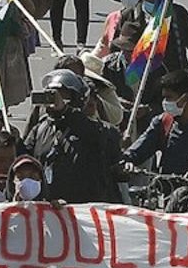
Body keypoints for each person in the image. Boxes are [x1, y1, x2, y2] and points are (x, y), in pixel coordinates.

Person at [23, 69, 117, 203]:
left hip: (82, 210)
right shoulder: (41, 127)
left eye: (62, 94)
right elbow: (25, 159)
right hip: (48, 208)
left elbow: (97, 137)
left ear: (76, 98)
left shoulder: (95, 128)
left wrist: (65, 110)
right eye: (51, 94)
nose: (55, 99)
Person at [123, 69, 188, 174]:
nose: (165, 102)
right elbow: (140, 150)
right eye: (164, 98)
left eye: (169, 97)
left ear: (185, 98)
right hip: (168, 188)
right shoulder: (162, 122)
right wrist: (127, 160)